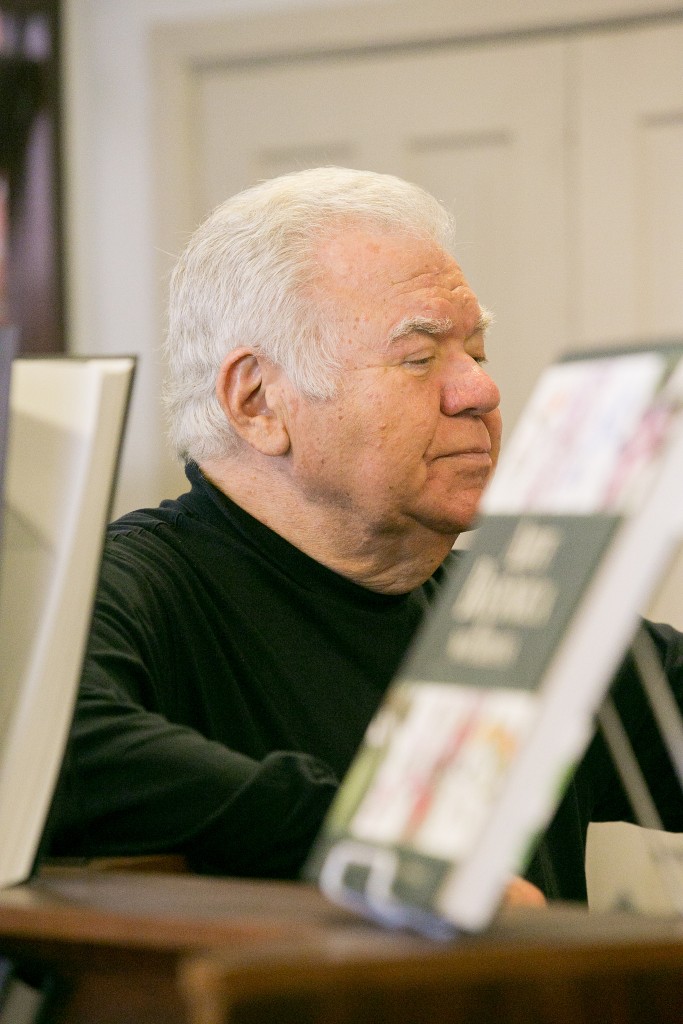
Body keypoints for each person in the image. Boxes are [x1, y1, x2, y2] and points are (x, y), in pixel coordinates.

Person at [49, 167, 683, 904]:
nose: (480, 391)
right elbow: (47, 747)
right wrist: (378, 855)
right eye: (418, 358)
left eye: (474, 353)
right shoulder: (131, 585)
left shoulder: (507, 606)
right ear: (256, 401)